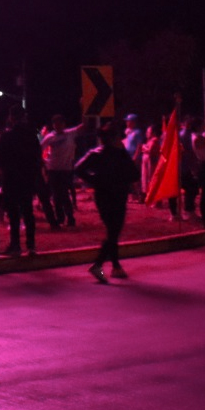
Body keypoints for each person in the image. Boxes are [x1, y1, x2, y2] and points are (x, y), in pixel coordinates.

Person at [75, 121, 138, 283]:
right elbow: (134, 174)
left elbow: (78, 169)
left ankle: (116, 266)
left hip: (103, 196)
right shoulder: (119, 154)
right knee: (113, 231)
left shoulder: (96, 153)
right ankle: (98, 265)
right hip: (117, 195)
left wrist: (94, 180)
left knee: (112, 231)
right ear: (113, 138)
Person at [0, 108, 43, 257]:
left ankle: (15, 245)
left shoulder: (7, 136)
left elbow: (0, 160)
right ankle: (31, 246)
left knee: (14, 213)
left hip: (11, 178)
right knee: (28, 212)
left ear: (11, 118)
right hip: (27, 178)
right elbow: (37, 159)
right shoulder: (32, 136)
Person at [40, 114, 78, 228]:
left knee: (65, 194)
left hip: (65, 169)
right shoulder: (50, 137)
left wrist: (83, 108)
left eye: (59, 123)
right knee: (57, 195)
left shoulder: (69, 133)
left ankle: (70, 217)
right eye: (55, 124)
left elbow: (84, 126)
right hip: (53, 169)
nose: (57, 126)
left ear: (63, 124)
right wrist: (45, 163)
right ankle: (61, 218)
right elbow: (39, 149)